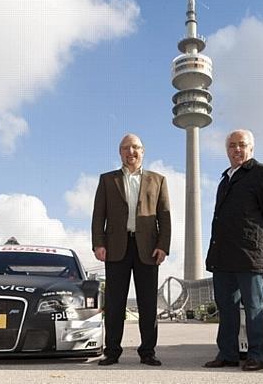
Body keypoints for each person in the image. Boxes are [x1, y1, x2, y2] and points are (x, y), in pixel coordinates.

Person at [204, 129, 263, 372]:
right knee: (226, 307)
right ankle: (228, 353)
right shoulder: (224, 179)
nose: (236, 149)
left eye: (241, 145)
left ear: (251, 148)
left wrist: (262, 245)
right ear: (227, 150)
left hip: (250, 255)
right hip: (223, 256)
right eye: (232, 145)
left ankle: (256, 355)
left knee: (254, 307)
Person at [92, 133, 171, 366]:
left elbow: (164, 217)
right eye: (126, 148)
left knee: (148, 304)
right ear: (120, 152)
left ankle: (148, 352)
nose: (131, 152)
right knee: (115, 303)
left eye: (135, 147)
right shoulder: (107, 180)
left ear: (143, 151)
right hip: (116, 247)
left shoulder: (158, 180)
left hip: (147, 249)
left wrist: (163, 246)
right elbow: (99, 215)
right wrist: (99, 243)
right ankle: (112, 351)